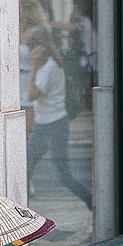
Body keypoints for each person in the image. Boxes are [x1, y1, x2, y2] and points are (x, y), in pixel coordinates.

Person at [25, 26, 88, 206]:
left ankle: (92, 203)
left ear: (41, 46)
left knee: (64, 176)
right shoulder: (49, 64)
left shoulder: (49, 68)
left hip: (54, 126)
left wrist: (34, 67)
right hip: (43, 124)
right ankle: (23, 215)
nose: (29, 51)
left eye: (31, 47)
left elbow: (31, 95)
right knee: (25, 168)